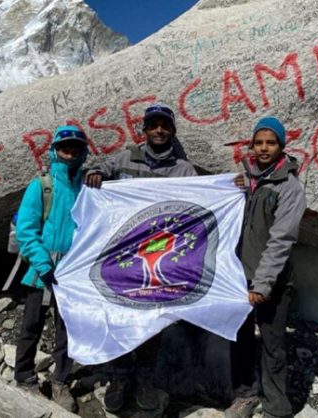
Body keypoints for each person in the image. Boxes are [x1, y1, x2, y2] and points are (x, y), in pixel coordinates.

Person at [84, 103, 198, 412]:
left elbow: (201, 202)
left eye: (165, 125)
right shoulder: (124, 158)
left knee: (152, 320)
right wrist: (95, 174)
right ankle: (121, 378)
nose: (159, 130)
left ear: (172, 131)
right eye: (153, 125)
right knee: (122, 317)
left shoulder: (184, 170)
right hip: (123, 258)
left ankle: (146, 380)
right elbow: (99, 172)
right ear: (143, 130)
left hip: (162, 262)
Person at [227, 116, 306, 418]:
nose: (263, 148)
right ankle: (245, 395)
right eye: (258, 142)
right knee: (241, 338)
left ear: (281, 146)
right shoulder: (248, 179)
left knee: (273, 345)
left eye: (270, 143)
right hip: (240, 276)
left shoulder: (289, 187)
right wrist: (236, 187)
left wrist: (262, 284)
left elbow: (281, 240)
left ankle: (276, 407)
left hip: (273, 282)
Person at [14, 125, 90, 413]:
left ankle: (60, 379)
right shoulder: (41, 186)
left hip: (73, 271)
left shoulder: (87, 186)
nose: (69, 153)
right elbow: (26, 231)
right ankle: (24, 377)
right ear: (54, 150)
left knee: (66, 328)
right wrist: (44, 265)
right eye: (65, 147)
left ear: (83, 152)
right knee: (31, 325)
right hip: (42, 270)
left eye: (75, 148)